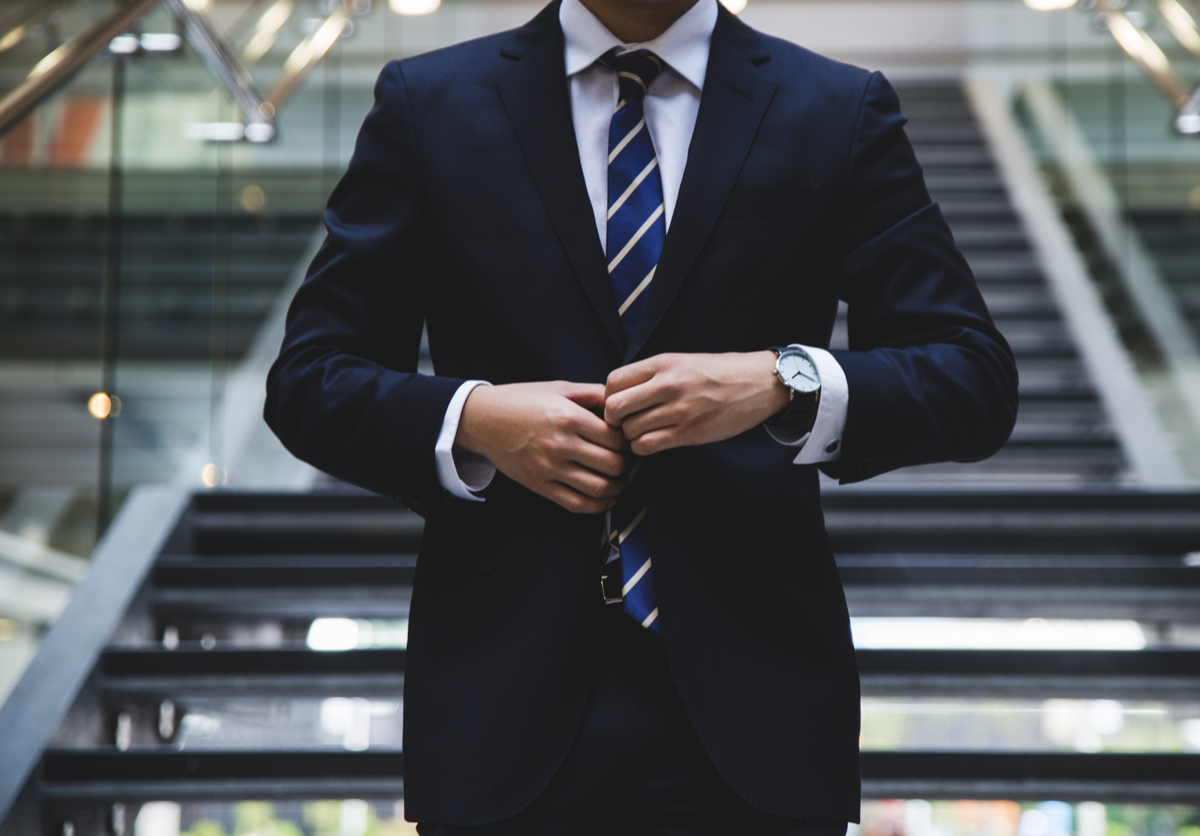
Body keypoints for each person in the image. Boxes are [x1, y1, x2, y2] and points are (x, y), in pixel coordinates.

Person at [264, 0, 1018, 828]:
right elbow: (308, 379)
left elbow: (971, 377)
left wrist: (783, 380)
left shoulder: (835, 106)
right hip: (501, 703)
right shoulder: (431, 101)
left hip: (757, 713)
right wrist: (475, 420)